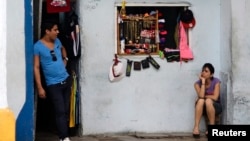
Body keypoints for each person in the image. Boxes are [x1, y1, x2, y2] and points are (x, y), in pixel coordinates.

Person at [34, 21, 72, 141]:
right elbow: (36, 67)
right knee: (60, 110)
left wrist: (65, 59)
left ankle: (63, 134)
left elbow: (63, 49)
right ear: (47, 31)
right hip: (53, 84)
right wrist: (40, 87)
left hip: (65, 80)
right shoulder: (38, 47)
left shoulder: (57, 41)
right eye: (55, 30)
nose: (57, 32)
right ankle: (64, 137)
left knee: (65, 111)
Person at [192, 63, 222, 138]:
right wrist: (203, 83)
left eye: (206, 71)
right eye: (202, 71)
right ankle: (196, 128)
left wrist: (204, 97)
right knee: (201, 101)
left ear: (211, 74)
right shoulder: (197, 84)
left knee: (208, 100)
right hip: (202, 107)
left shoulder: (216, 82)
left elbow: (215, 97)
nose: (203, 73)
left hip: (216, 107)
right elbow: (201, 97)